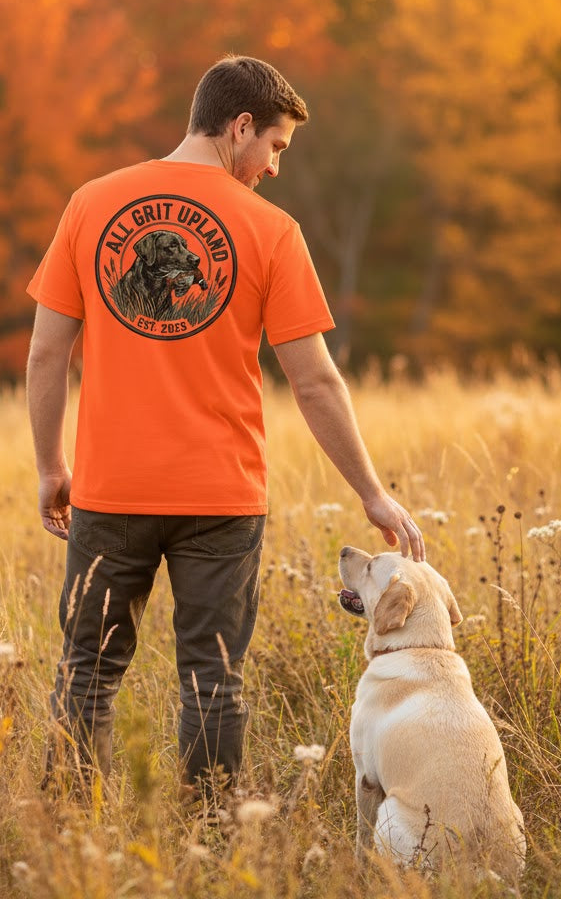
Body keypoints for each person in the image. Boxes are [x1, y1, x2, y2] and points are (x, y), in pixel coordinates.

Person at [26, 55, 424, 799]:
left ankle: (64, 846)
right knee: (212, 682)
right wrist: (371, 493)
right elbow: (314, 380)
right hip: (222, 496)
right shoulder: (272, 231)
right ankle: (212, 846)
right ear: (239, 126)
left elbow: (48, 350)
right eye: (274, 146)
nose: (274, 168)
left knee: (88, 672)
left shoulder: (91, 203)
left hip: (111, 491)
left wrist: (51, 466)